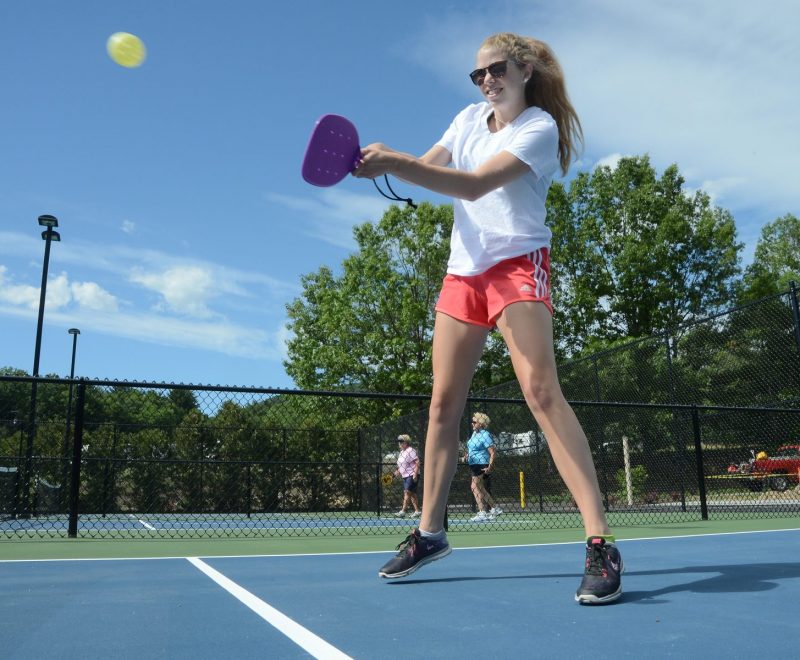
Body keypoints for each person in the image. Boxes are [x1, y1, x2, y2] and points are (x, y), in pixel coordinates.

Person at [356, 32, 622, 604]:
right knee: (441, 405)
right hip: (463, 274)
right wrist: (376, 163)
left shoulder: (539, 128)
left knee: (542, 393)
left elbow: (473, 186)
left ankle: (600, 543)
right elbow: (429, 169)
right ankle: (430, 533)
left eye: (495, 70)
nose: (486, 81)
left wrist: (395, 162)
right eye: (477, 75)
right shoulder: (468, 119)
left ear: (524, 69)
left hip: (517, 266)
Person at [463, 412, 502, 521]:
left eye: (474, 422)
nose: (472, 424)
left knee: (474, 486)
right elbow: (472, 448)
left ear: (481, 423)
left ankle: (482, 512)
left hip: (481, 463)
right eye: (472, 422)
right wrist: (467, 455)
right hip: (473, 463)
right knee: (480, 487)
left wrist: (490, 467)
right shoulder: (475, 434)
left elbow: (493, 452)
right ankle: (494, 508)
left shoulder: (485, 435)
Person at [394, 435, 421, 517]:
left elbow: (417, 462)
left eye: (401, 441)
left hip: (411, 474)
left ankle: (403, 511)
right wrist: (396, 473)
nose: (399, 443)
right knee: (412, 493)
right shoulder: (401, 452)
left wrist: (415, 474)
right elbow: (401, 466)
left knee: (407, 492)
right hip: (405, 475)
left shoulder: (410, 450)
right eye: (399, 442)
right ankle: (417, 511)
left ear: (406, 442)